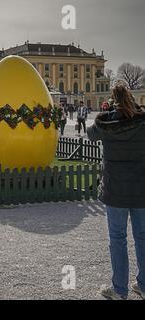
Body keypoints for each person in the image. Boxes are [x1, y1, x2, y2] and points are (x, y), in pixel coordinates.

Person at [87, 84, 145, 300]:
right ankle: (144, 285)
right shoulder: (142, 120)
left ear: (112, 100)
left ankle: (120, 290)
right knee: (142, 237)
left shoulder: (106, 122)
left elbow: (90, 134)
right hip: (141, 187)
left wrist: (107, 111)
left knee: (118, 239)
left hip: (116, 188)